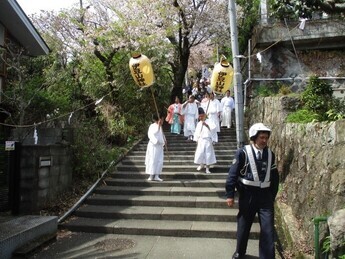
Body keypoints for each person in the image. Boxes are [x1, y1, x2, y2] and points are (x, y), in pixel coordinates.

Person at [225, 123, 279, 259]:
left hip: (265, 196)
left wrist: (272, 195)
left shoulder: (270, 154)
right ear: (254, 137)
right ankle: (239, 252)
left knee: (268, 228)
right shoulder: (242, 152)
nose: (264, 140)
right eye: (261, 137)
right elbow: (232, 174)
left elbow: (275, 177)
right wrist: (230, 195)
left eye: (266, 138)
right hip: (247, 194)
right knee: (244, 224)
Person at [193, 107, 217, 174]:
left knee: (208, 154)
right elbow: (196, 132)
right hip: (201, 140)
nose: (200, 118)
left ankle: (207, 168)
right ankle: (201, 164)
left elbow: (213, 129)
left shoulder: (210, 121)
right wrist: (196, 139)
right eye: (199, 116)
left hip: (208, 140)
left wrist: (206, 125)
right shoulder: (199, 123)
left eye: (201, 116)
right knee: (200, 153)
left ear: (204, 115)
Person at [145, 113, 166, 182]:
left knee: (159, 161)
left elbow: (161, 135)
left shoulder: (160, 127)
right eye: (162, 119)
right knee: (152, 160)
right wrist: (158, 126)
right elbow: (152, 134)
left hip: (159, 146)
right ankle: (151, 175)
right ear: (159, 119)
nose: (163, 121)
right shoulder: (152, 126)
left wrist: (164, 141)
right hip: (153, 146)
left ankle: (157, 175)